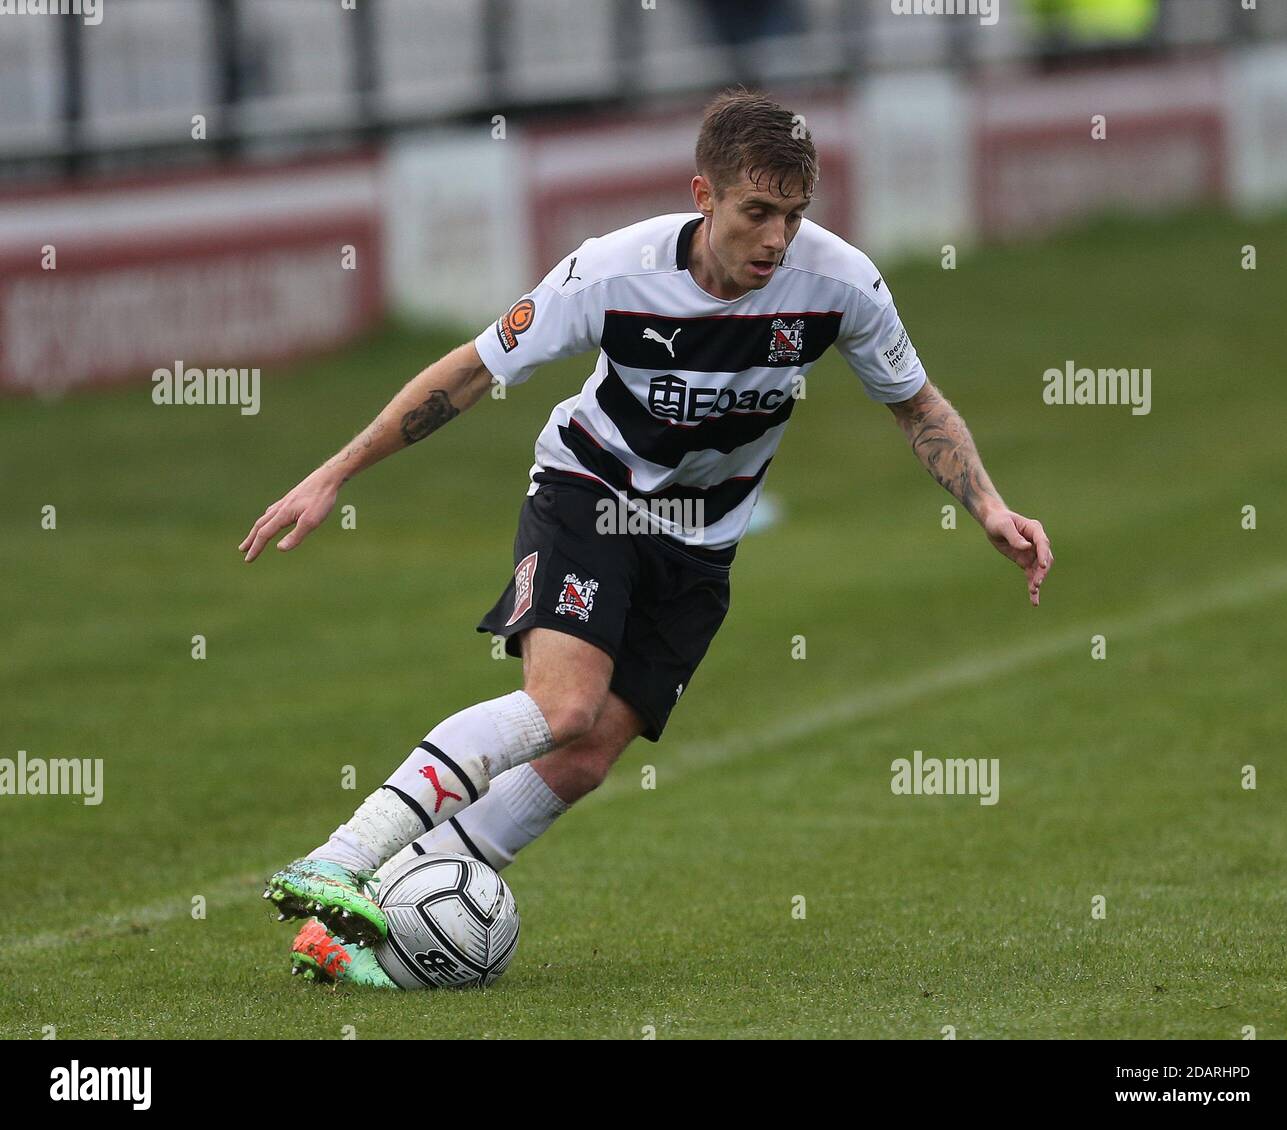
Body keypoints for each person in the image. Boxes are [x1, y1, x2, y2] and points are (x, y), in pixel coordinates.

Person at [239, 88, 1053, 987]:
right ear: (702, 194)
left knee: (584, 760)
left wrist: (988, 506)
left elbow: (916, 403)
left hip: (702, 543)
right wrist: (336, 472)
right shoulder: (611, 273)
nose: (777, 239)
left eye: (793, 213)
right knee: (565, 709)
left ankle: (375, 917)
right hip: (591, 493)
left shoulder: (840, 285)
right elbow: (472, 372)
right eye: (757, 212)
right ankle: (342, 859)